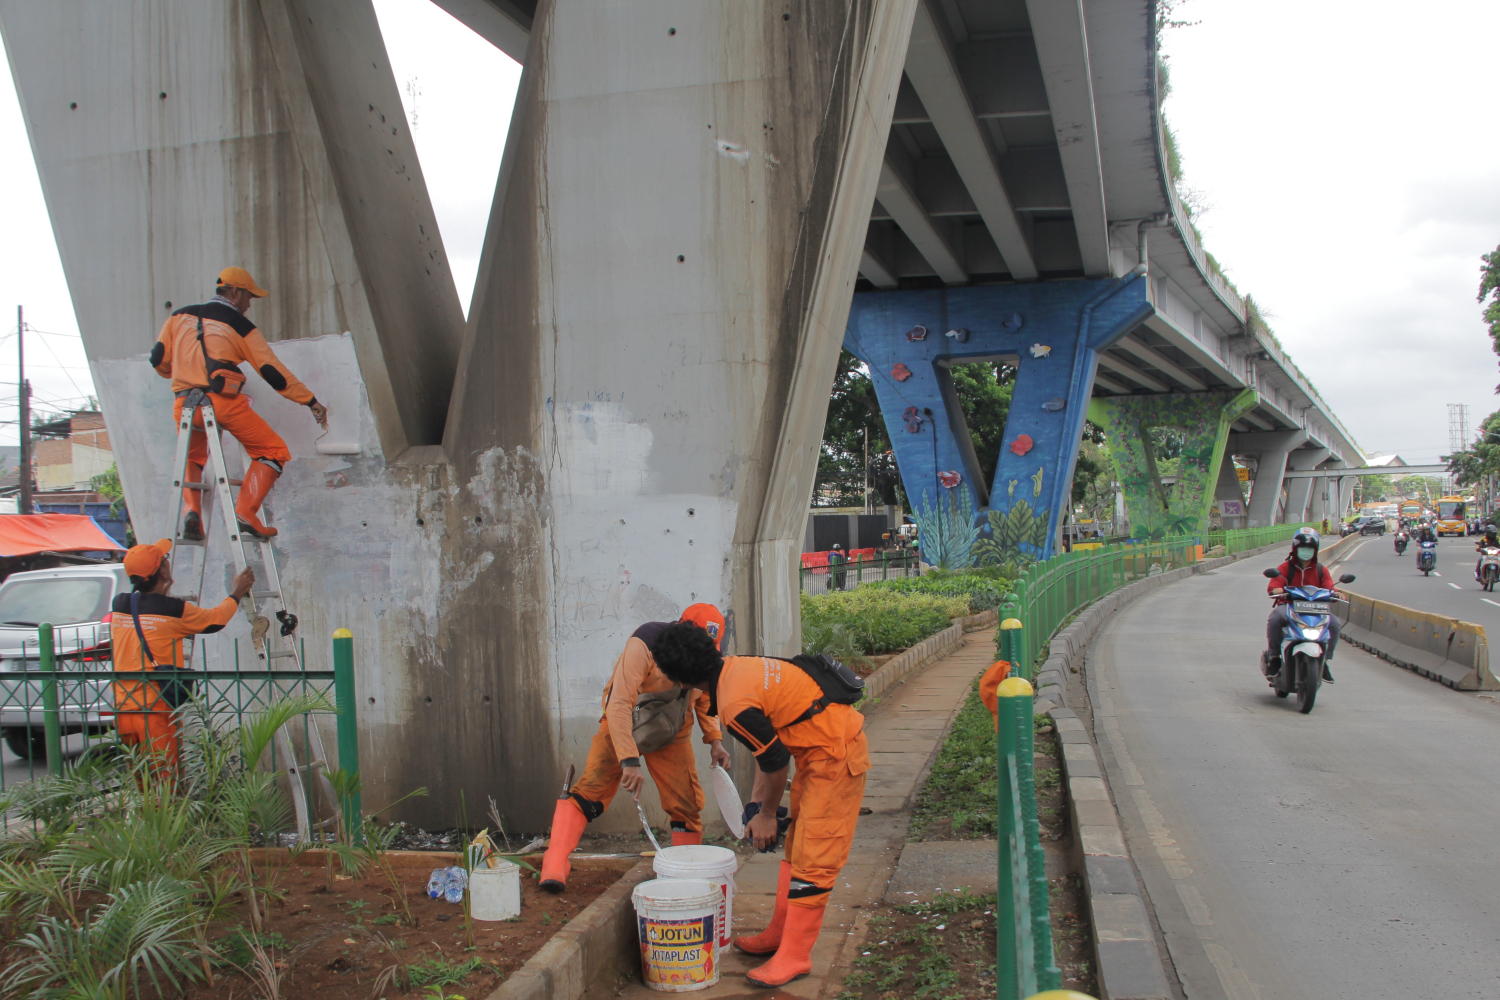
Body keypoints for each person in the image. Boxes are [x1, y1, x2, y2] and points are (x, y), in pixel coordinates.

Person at [652, 624, 870, 989]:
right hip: (818, 751)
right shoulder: (737, 668)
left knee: (816, 855)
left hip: (835, 756)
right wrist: (756, 804)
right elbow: (765, 748)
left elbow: (775, 760)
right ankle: (780, 933)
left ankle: (796, 955)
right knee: (796, 847)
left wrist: (767, 814)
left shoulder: (733, 705)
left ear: (681, 679)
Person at [539, 604, 731, 893]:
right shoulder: (644, 644)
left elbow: (704, 698)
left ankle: (687, 875)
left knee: (686, 804)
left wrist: (715, 740)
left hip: (674, 731)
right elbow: (618, 704)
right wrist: (629, 760)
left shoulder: (703, 661)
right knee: (591, 790)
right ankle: (554, 862)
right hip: (623, 724)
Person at [152, 267, 328, 541]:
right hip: (220, 404)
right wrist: (309, 400)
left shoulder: (178, 317)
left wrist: (182, 371)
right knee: (273, 450)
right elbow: (272, 371)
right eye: (249, 297)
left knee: (192, 458)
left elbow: (159, 360)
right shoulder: (240, 326)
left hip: (184, 405)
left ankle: (192, 512)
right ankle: (245, 512)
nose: (249, 305)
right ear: (235, 292)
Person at [109, 538, 254, 769]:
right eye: (165, 560)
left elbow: (144, 608)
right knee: (166, 775)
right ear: (163, 572)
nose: (169, 561)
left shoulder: (119, 604)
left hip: (123, 705)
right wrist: (237, 592)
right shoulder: (173, 610)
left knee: (140, 776)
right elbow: (216, 620)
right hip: (154, 707)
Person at [1265, 528, 1340, 684]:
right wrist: (1276, 589)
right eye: (1302, 548)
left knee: (1335, 623)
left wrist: (1336, 594)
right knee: (1275, 618)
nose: (1306, 551)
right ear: (1295, 549)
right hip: (1290, 607)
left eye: (1310, 548)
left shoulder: (1321, 570)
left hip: (1316, 610)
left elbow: (1330, 587)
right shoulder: (1285, 568)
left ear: (1315, 550)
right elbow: (1274, 585)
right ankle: (1275, 658)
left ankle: (1325, 661)